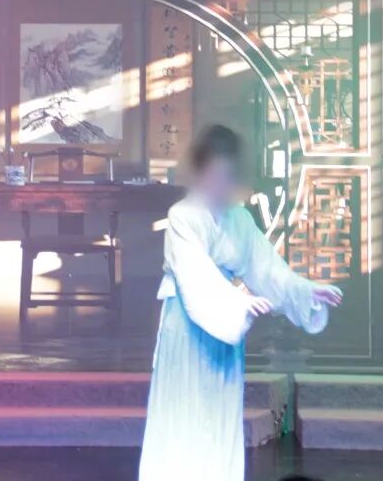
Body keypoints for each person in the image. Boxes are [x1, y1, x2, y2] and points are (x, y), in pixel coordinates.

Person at [138, 125, 342, 481]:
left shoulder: (239, 219)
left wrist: (305, 291)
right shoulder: (182, 215)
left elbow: (268, 268)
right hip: (188, 324)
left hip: (225, 328)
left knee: (219, 409)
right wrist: (236, 302)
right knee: (185, 406)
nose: (223, 182)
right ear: (202, 171)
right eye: (216, 173)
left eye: (228, 174)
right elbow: (195, 274)